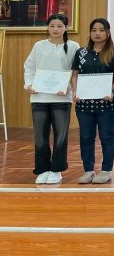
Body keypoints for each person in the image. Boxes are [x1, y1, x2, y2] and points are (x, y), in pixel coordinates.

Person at [23, 13, 80, 184]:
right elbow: (29, 67)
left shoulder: (73, 46)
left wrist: (68, 87)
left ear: (66, 28)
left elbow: (75, 71)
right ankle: (42, 169)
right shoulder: (39, 46)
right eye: (52, 26)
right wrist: (29, 84)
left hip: (61, 99)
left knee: (60, 136)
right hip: (39, 97)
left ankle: (56, 170)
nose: (55, 29)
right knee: (40, 137)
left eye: (59, 26)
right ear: (47, 27)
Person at [70, 18, 114, 184]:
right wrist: (75, 91)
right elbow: (75, 74)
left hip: (107, 104)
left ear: (108, 32)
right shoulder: (81, 53)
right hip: (84, 104)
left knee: (107, 136)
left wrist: (111, 90)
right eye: (94, 30)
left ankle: (106, 170)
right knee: (86, 137)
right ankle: (88, 170)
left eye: (101, 30)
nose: (97, 33)